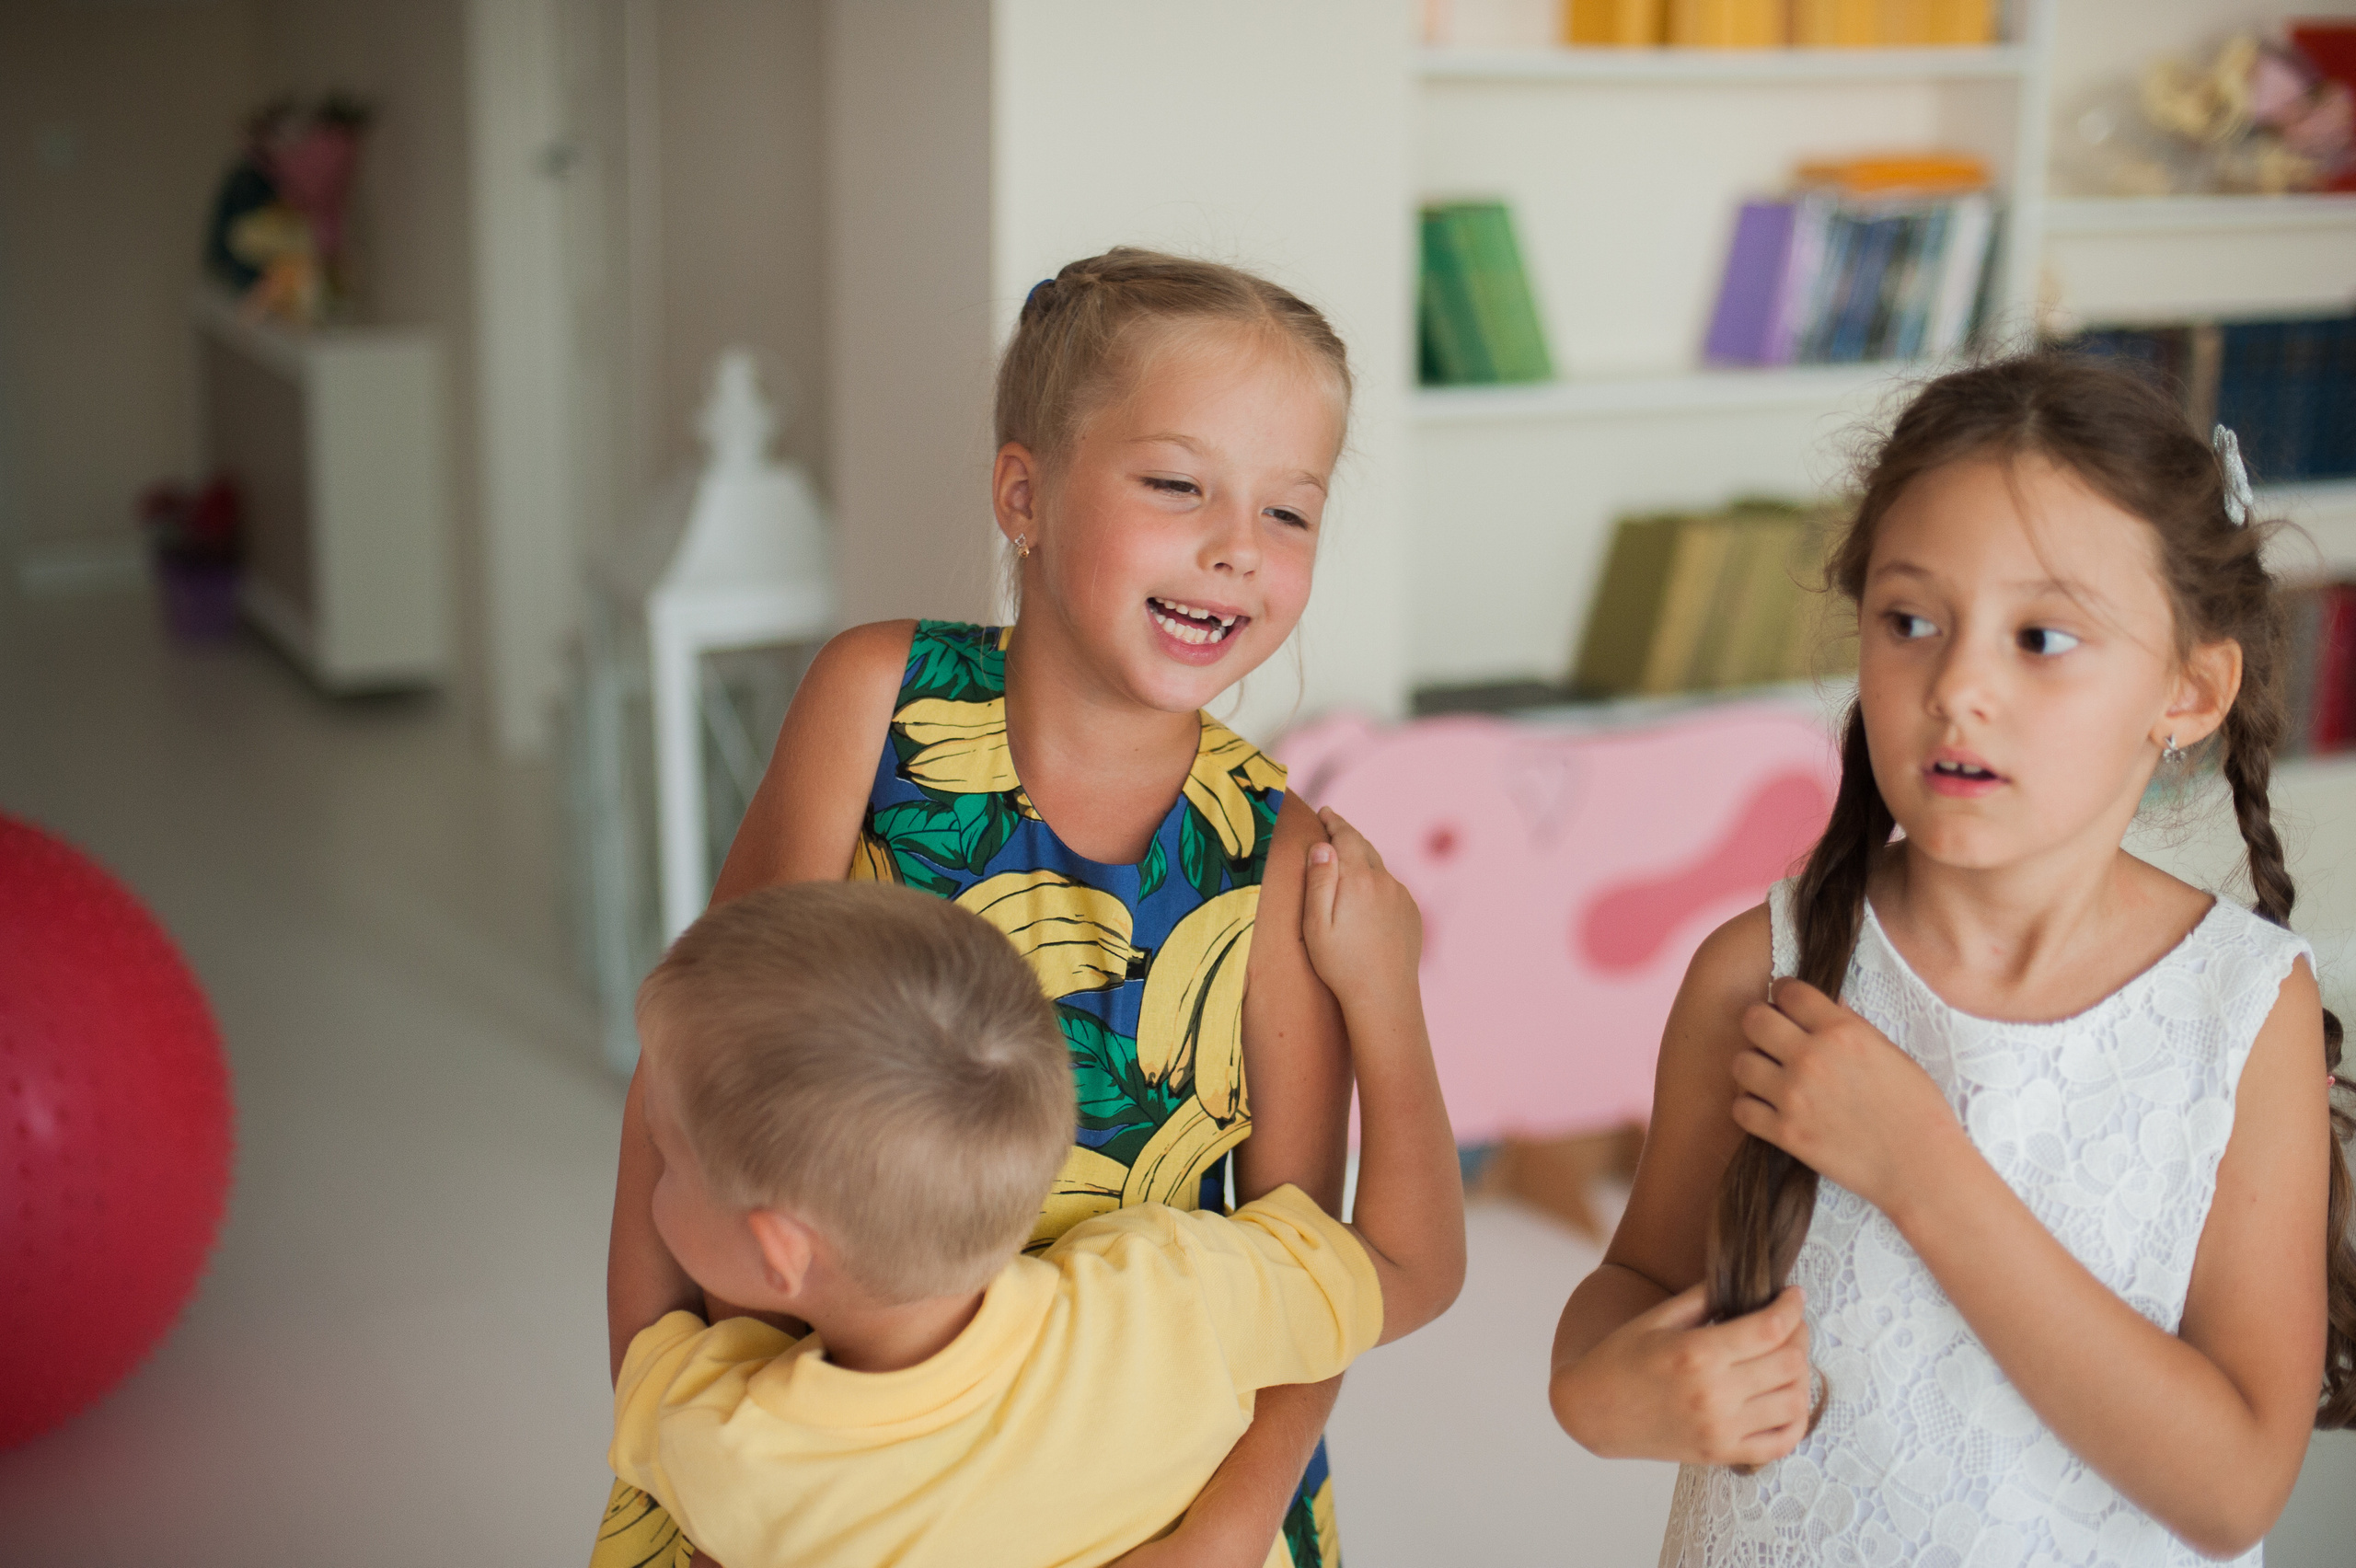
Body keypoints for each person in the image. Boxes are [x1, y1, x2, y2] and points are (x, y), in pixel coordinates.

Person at [598, 248, 1374, 1568]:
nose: (1239, 546)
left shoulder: (1281, 855)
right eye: (1179, 485)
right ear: (1025, 493)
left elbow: (1308, 1275)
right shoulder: (873, 701)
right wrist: (685, 1448)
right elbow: (690, 1078)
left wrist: (1226, 1536)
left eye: (1291, 512)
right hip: (821, 1480)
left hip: (1149, 1510)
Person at [1546, 352, 2354, 1565]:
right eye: (1911, 620)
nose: (1960, 685)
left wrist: (1923, 1169)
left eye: (2042, 637)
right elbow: (1623, 1297)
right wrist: (1614, 1396)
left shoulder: (2246, 1012)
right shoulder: (1754, 977)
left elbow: (2235, 1488)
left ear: (2188, 691)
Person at [608, 840, 1462, 1567]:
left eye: (670, 1157)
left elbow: (645, 1346)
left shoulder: (740, 1452)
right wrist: (1386, 992)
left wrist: (664, 1083)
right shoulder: (1169, 1297)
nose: (656, 1177)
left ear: (782, 1252)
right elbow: (1415, 1268)